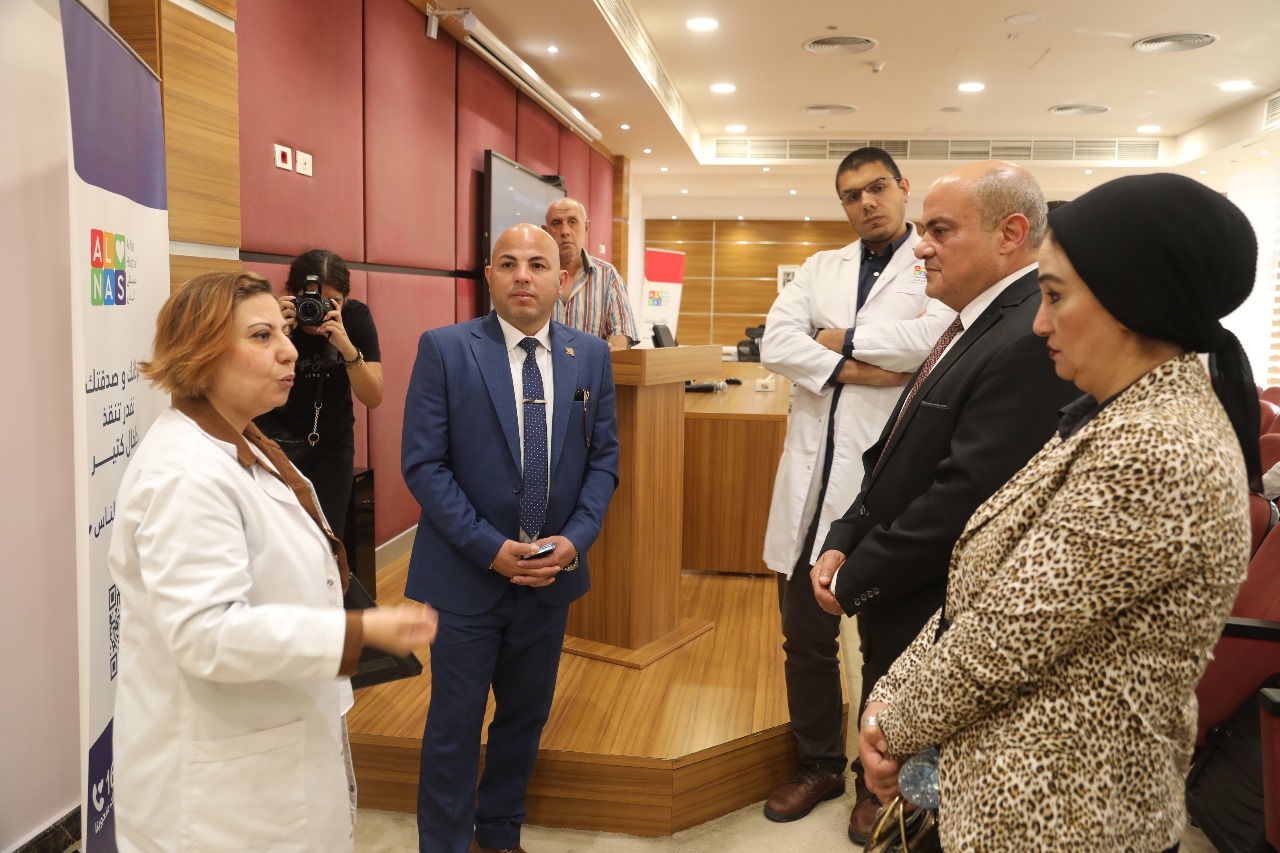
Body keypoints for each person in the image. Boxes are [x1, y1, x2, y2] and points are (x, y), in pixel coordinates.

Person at [856, 173, 1260, 851]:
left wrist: (890, 727)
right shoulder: (1109, 414)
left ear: (1131, 301)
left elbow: (1002, 641)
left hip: (1068, 818)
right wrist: (890, 696)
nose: (1039, 322)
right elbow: (981, 592)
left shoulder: (1157, 449)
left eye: (1054, 295)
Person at [109, 271, 437, 851]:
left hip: (269, 750)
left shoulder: (240, 441)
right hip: (221, 804)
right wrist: (357, 635)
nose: (289, 350)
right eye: (262, 336)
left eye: (282, 332)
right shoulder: (185, 475)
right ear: (202, 352)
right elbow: (207, 635)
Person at [809, 161, 1078, 840]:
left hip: (937, 609)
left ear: (1009, 234)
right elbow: (895, 453)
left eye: (939, 230)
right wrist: (845, 533)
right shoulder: (971, 322)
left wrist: (857, 575)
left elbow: (965, 495)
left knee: (927, 808)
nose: (920, 248)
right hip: (902, 594)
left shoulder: (1025, 336)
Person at [402, 223, 620, 853]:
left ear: (562, 280)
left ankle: (499, 835)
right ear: (489, 276)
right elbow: (424, 465)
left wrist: (576, 539)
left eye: (538, 264)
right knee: (454, 726)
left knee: (524, 720)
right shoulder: (445, 349)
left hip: (549, 577)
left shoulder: (590, 356)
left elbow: (603, 461)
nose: (523, 275)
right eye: (508, 263)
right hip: (466, 575)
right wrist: (488, 548)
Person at [757, 147, 955, 837]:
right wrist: (858, 368)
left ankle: (879, 784)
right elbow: (776, 343)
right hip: (810, 483)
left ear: (903, 188)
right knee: (805, 640)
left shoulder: (933, 263)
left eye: (877, 188)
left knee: (886, 644)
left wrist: (834, 338)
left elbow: (930, 338)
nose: (866, 203)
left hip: (885, 484)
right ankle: (817, 764)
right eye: (851, 195)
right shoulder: (821, 267)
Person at [256, 248, 383, 541]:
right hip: (274, 443)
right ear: (292, 295)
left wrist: (346, 347)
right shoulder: (271, 317)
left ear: (345, 299)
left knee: (327, 539)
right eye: (309, 300)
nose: (318, 310)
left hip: (332, 447)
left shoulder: (355, 318)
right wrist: (275, 334)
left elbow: (373, 397)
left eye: (332, 302)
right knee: (277, 538)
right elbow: (249, 387)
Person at [544, 197, 638, 350]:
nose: (565, 231)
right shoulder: (532, 276)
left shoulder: (608, 277)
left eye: (572, 222)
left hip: (591, 366)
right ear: (546, 231)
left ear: (586, 228)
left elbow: (622, 333)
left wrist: (611, 350)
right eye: (556, 223)